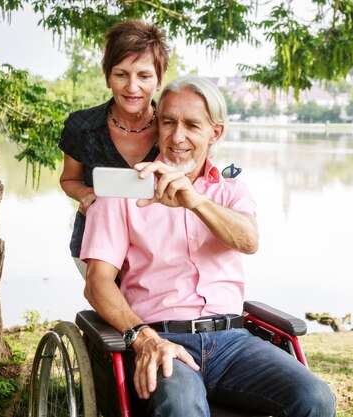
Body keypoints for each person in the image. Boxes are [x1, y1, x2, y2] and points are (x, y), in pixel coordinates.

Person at [80, 75, 336, 416]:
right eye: (168, 122)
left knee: (315, 398)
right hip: (162, 338)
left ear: (215, 133)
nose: (177, 136)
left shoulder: (231, 191)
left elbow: (249, 240)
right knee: (182, 406)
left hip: (235, 343)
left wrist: (195, 201)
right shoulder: (124, 192)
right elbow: (97, 283)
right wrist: (143, 338)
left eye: (192, 125)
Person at [59, 19, 169, 275]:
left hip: (159, 252)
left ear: (160, 78)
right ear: (107, 76)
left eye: (144, 75)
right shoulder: (82, 126)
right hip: (93, 246)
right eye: (121, 74)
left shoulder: (174, 129)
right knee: (110, 313)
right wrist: (85, 194)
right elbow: (69, 180)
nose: (132, 87)